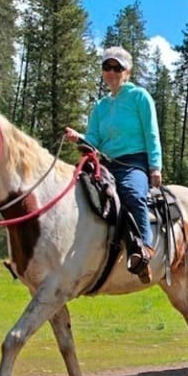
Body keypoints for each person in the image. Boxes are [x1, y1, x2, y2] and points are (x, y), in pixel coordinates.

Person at [64, 46, 162, 284]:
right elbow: (94, 140)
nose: (111, 71)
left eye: (116, 67)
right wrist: (80, 139)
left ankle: (144, 248)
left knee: (131, 192)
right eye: (106, 67)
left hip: (134, 162)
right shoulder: (101, 106)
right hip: (105, 164)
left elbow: (151, 133)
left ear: (127, 71)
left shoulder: (139, 96)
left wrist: (155, 166)